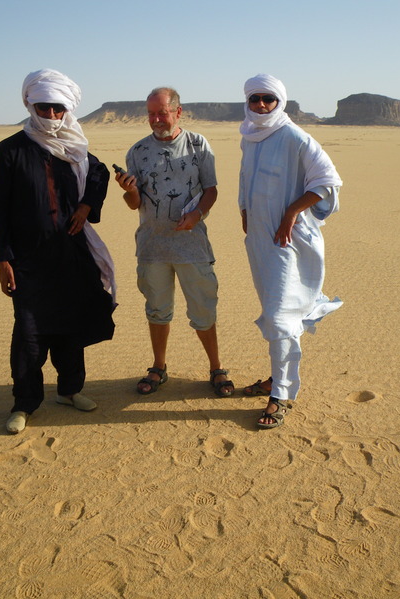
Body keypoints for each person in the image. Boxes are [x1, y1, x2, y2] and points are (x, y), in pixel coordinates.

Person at [0, 69, 116, 434]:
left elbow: (99, 173)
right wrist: (3, 259)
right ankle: (24, 403)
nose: (52, 116)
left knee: (70, 327)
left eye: (58, 109)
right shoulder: (11, 149)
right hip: (28, 261)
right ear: (31, 105)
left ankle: (70, 391)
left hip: (72, 256)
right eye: (44, 108)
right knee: (29, 333)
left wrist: (87, 206)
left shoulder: (74, 146)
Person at [238, 73, 343, 429]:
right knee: (274, 312)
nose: (262, 105)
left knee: (281, 316)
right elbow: (245, 178)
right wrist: (244, 211)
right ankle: (275, 378)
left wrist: (291, 211)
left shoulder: (294, 136)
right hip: (260, 241)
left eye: (269, 99)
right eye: (255, 99)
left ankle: (280, 394)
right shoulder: (250, 135)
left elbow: (327, 181)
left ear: (280, 101)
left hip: (289, 241)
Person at [114, 87, 233, 397]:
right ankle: (158, 366)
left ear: (178, 112)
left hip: (192, 245)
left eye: (162, 113)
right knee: (157, 309)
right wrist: (128, 189)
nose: (155, 119)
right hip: (153, 247)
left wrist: (197, 215)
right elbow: (134, 203)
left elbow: (211, 189)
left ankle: (216, 368)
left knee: (203, 309)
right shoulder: (138, 151)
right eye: (151, 114)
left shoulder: (198, 145)